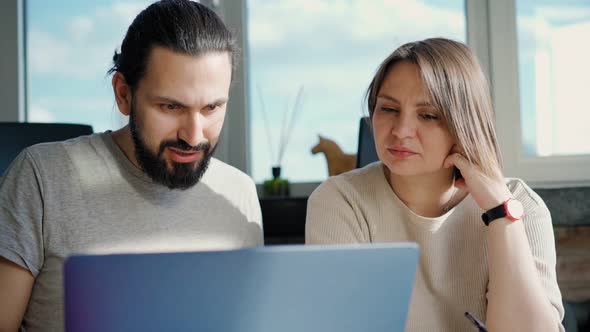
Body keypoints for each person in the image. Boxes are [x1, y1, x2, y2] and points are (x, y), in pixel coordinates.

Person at [0, 1, 263, 330]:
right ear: (124, 94)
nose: (193, 136)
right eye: (170, 106)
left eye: (211, 107)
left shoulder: (239, 194)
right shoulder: (41, 178)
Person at [306, 38, 564, 331]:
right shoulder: (341, 201)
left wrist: (501, 213)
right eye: (388, 109)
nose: (401, 131)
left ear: (465, 122)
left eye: (428, 115)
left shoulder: (520, 204)